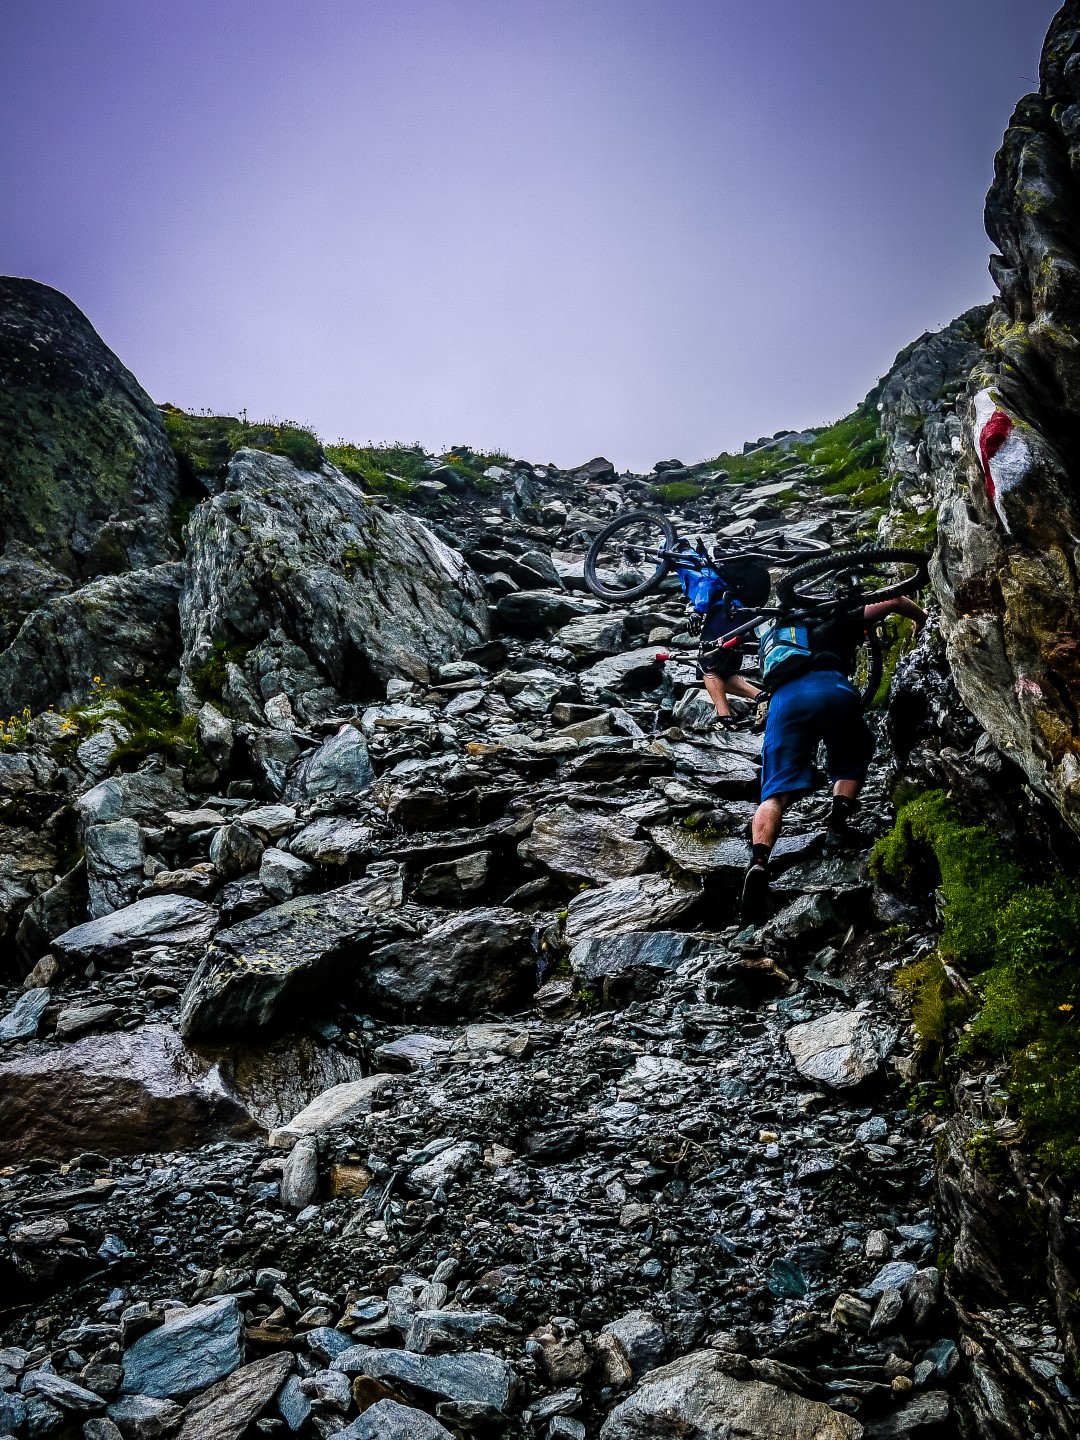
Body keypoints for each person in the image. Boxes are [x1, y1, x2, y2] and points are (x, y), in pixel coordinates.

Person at [740, 596, 927, 924]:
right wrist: (923, 620)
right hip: (832, 688)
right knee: (854, 752)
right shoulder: (839, 620)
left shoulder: (780, 641)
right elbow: (896, 599)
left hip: (785, 701)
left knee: (773, 794)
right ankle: (837, 824)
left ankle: (758, 862)